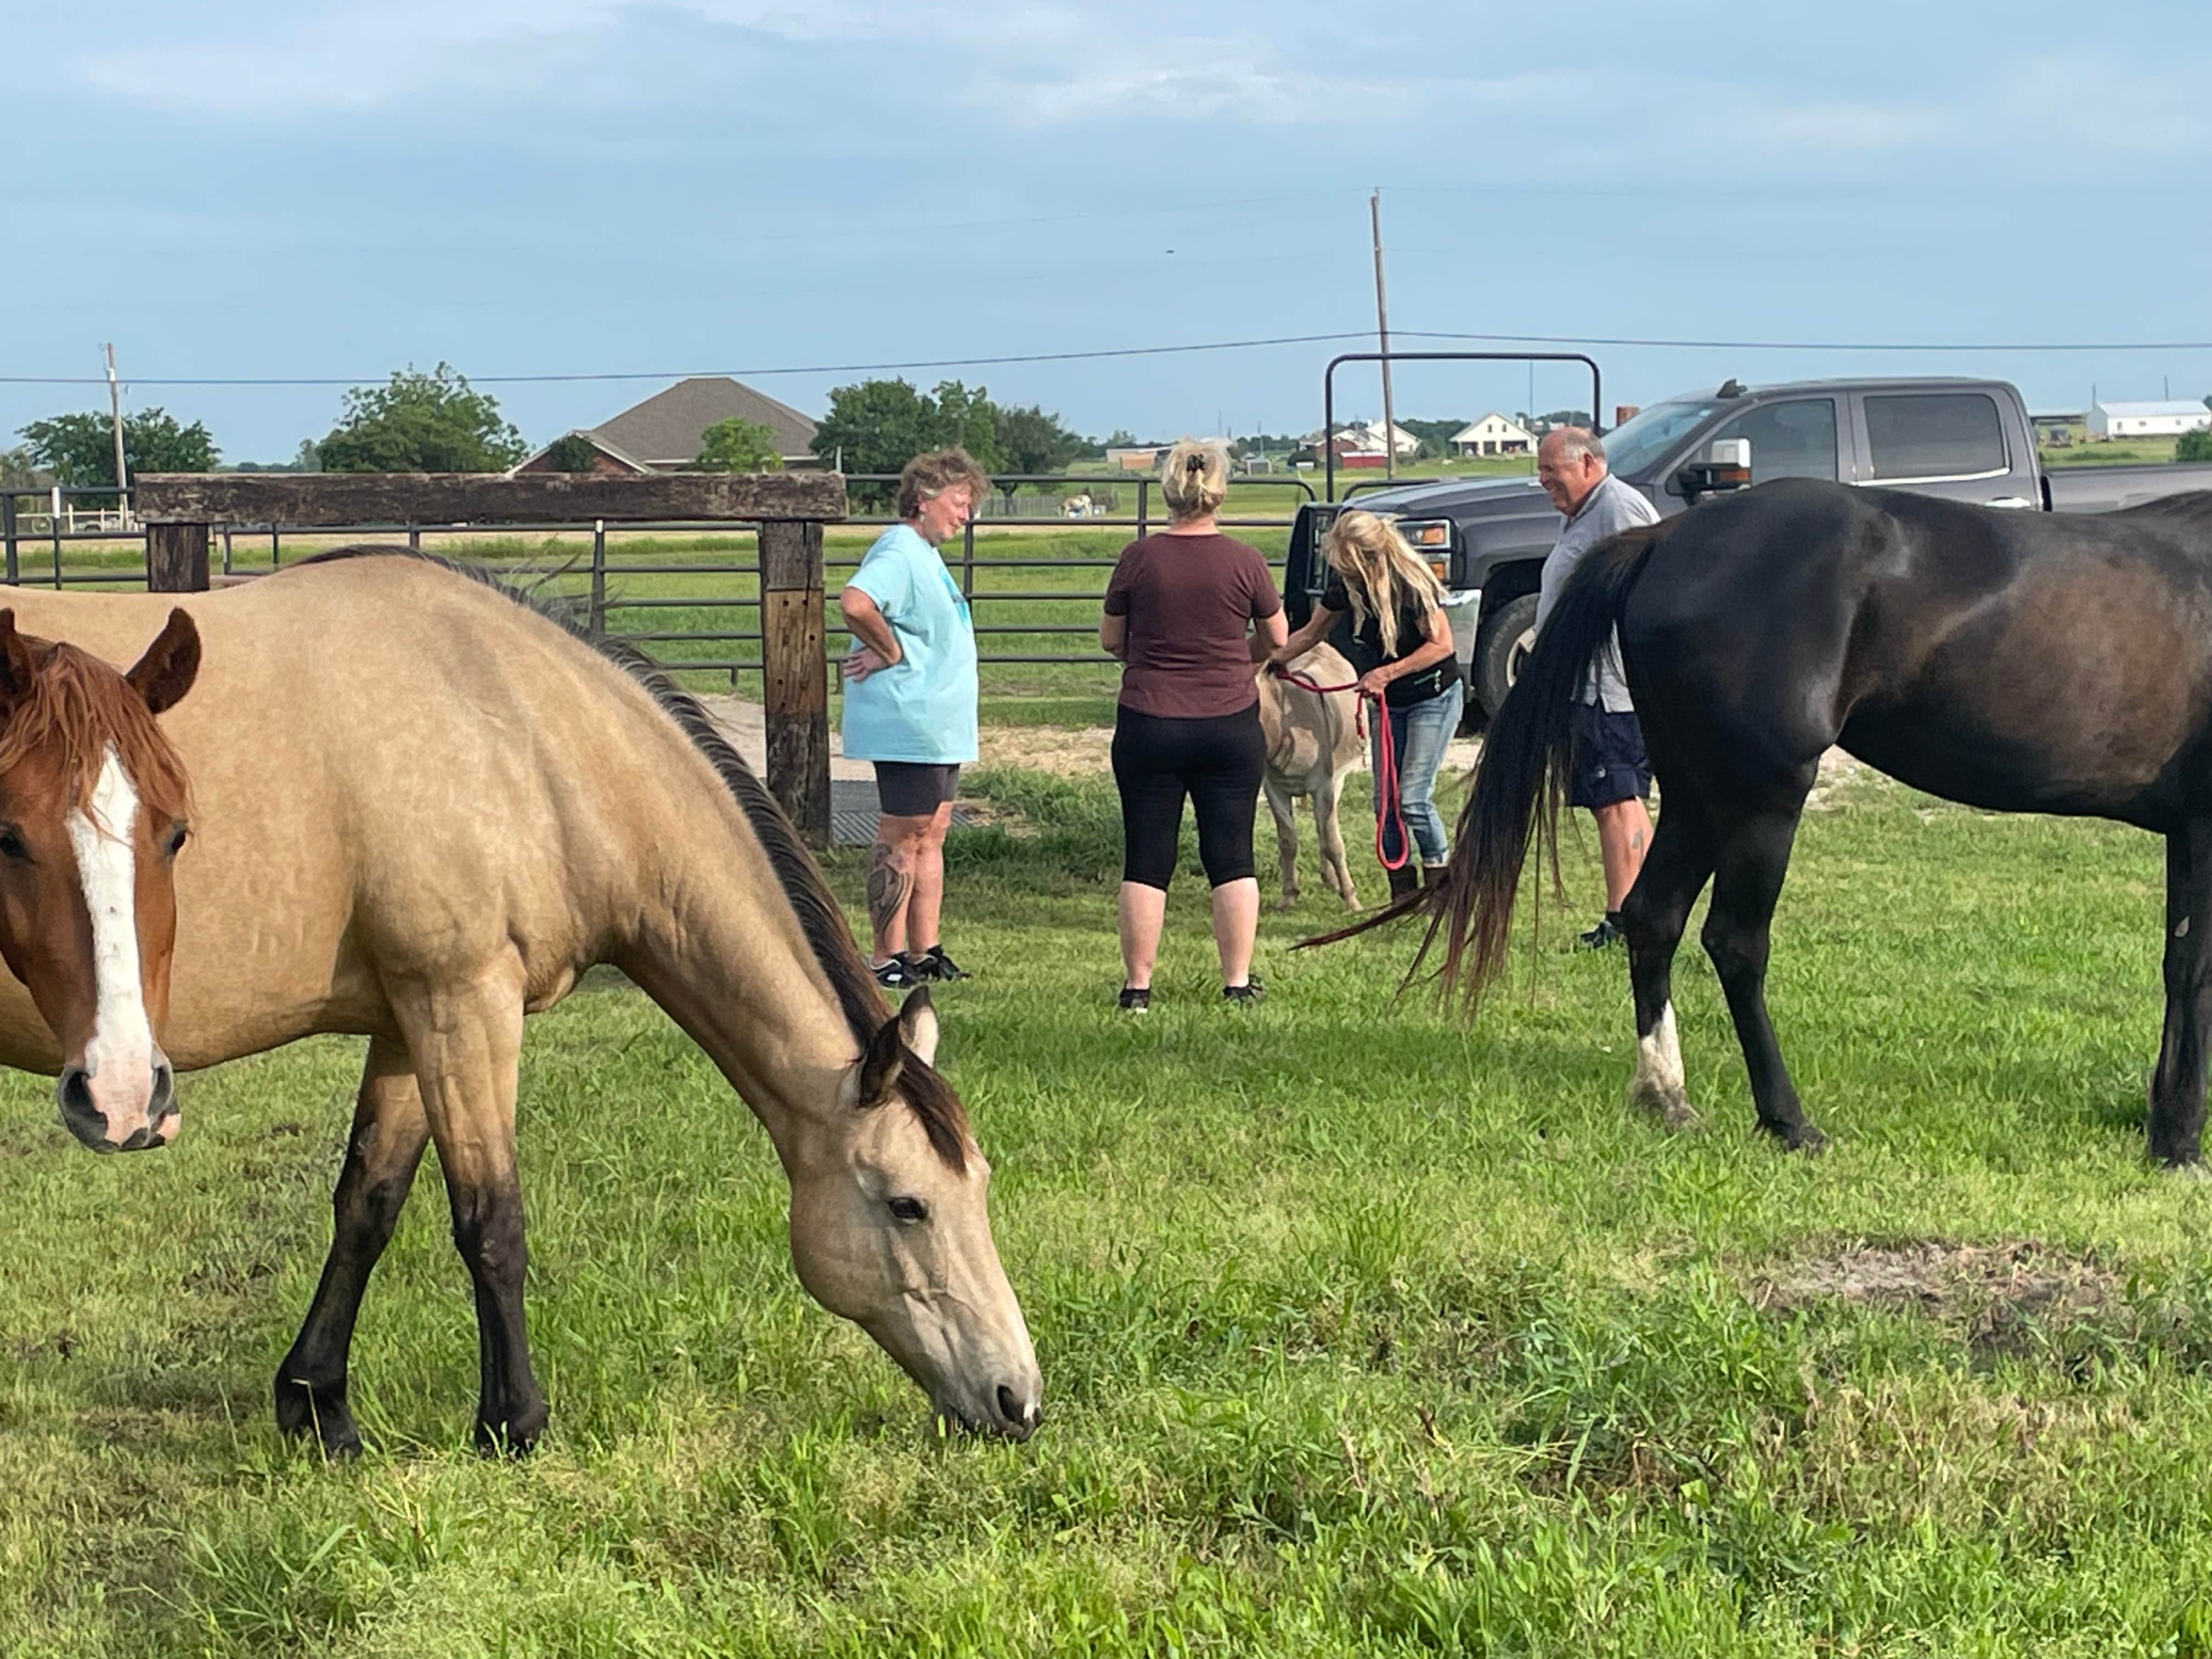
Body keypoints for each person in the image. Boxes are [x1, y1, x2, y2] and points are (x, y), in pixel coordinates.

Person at [1099, 438, 1288, 1011]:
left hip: (1150, 719)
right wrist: (1237, 657)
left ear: (1169, 491)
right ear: (1221, 492)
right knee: (1231, 853)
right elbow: (1278, 639)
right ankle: (1236, 980)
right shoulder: (1245, 560)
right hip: (1228, 722)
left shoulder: (1138, 559)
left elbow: (1112, 639)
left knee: (1147, 855)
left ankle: (1137, 987)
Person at [838, 448, 988, 988]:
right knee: (903, 834)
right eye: (959, 502)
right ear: (924, 498)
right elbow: (857, 602)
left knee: (933, 832)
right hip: (910, 722)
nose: (965, 515)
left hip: (940, 725)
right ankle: (885, 957)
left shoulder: (925, 552)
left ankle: (925, 950)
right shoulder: (900, 550)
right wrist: (890, 651)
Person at [1271, 509, 1462, 900]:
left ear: (1368, 559)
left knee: (1413, 797)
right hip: (1392, 701)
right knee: (1385, 803)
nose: (1345, 575)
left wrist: (1386, 674)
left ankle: (1441, 892)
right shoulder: (1348, 587)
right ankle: (1403, 898)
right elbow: (1312, 632)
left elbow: (1442, 646)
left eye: (1349, 566)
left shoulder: (1412, 584)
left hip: (1432, 696)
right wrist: (1270, 661)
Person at [1534, 425, 1661, 949]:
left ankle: (1626, 918)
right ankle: (1646, 909)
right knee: (1615, 800)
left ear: (1587, 463)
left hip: (1610, 688)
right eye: (1540, 473)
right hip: (1587, 686)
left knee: (1618, 800)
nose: (1545, 482)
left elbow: (1645, 590)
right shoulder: (1585, 514)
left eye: (1552, 471)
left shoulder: (1618, 511)